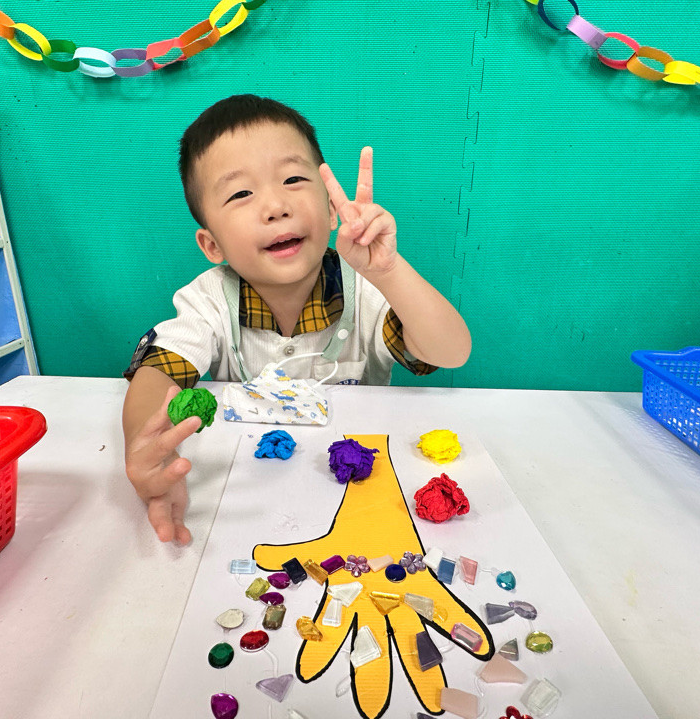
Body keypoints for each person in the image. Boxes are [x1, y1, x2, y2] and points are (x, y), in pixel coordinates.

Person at [122, 95, 471, 543]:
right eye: (241, 193)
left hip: (356, 490)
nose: (275, 205)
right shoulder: (208, 299)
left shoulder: (366, 288)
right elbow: (158, 371)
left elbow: (451, 353)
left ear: (330, 210)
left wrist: (388, 271)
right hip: (252, 495)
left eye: (292, 179)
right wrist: (144, 448)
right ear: (212, 245)